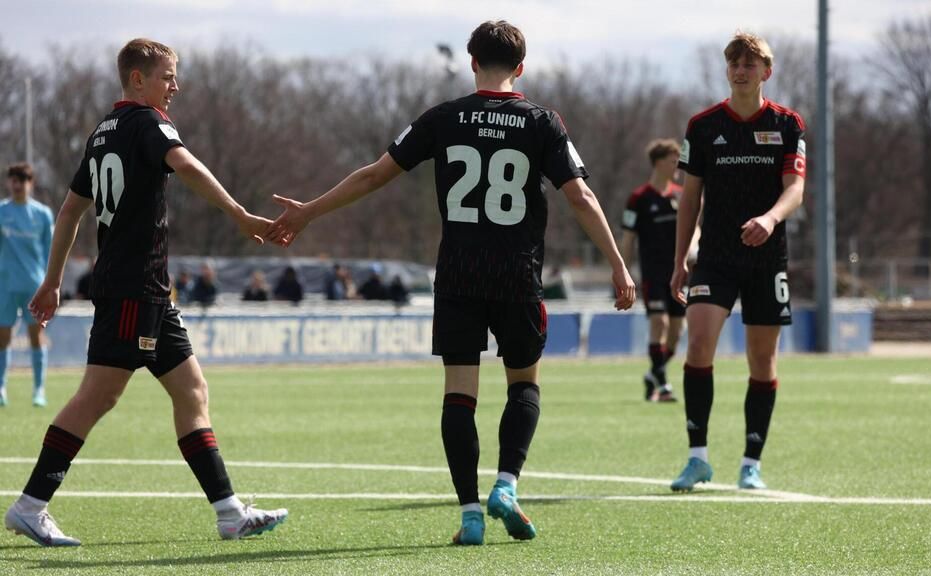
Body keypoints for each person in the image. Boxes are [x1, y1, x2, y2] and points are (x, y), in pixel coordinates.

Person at [267, 20, 634, 546]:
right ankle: (506, 485)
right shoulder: (542, 122)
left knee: (459, 395)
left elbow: (373, 174)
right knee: (524, 385)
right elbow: (581, 196)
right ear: (522, 67)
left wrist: (309, 212)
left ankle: (469, 514)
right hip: (517, 275)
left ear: (471, 61)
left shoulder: (444, 118)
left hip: (459, 276)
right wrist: (618, 263)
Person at [3, 39, 287, 547]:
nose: (174, 85)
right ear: (137, 79)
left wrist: (52, 282)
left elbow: (70, 210)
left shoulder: (101, 132)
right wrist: (240, 214)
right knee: (97, 397)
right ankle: (30, 505)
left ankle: (228, 512)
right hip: (134, 288)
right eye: (167, 76)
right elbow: (188, 166)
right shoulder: (148, 123)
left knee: (192, 390)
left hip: (147, 291)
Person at [669, 32, 806, 492]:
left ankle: (751, 461)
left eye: (750, 64)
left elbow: (796, 189)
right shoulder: (703, 126)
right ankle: (697, 457)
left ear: (766, 72)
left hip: (768, 259)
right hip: (716, 259)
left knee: (761, 361)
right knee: (698, 344)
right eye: (734, 63)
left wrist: (770, 218)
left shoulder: (788, 124)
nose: (740, 70)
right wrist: (679, 259)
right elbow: (690, 199)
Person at [620, 139, 692, 403]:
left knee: (677, 330)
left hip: (679, 274)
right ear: (659, 162)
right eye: (674, 161)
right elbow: (628, 238)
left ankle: (653, 374)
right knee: (659, 322)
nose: (678, 166)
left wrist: (694, 248)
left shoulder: (682, 194)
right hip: (652, 273)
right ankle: (662, 385)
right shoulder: (638, 199)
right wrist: (622, 271)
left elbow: (694, 228)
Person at [0, 163, 53, 407]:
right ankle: (1, 387)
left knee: (36, 336)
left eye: (22, 179)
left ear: (30, 183)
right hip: (5, 285)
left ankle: (39, 390)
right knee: (3, 337)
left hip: (34, 284)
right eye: (14, 179)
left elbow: (51, 252)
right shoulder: (1, 211)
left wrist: (51, 282)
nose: (17, 184)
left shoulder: (42, 215)